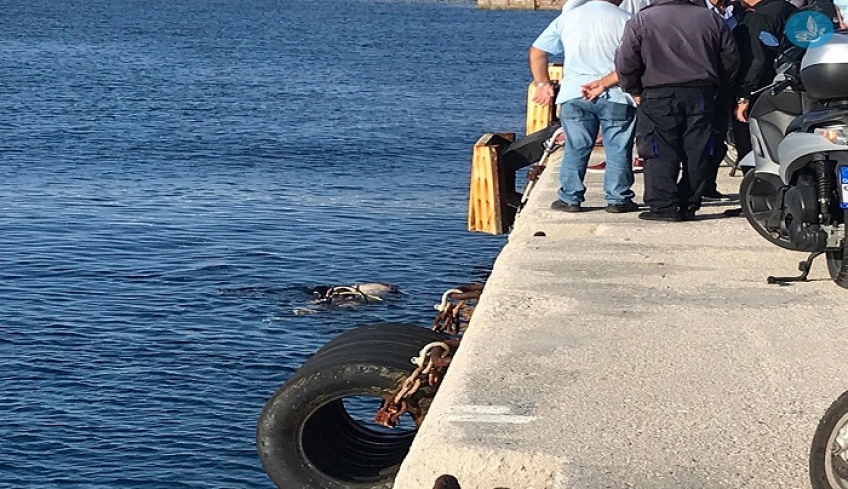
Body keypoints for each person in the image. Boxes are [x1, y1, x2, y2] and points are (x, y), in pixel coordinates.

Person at [615, 0, 740, 221]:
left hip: (657, 92)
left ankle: (663, 205)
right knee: (698, 149)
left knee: (658, 148)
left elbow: (626, 59)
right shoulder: (711, 18)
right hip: (702, 93)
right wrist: (720, 87)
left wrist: (633, 88)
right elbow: (730, 58)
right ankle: (689, 203)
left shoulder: (643, 19)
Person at [530, 0, 640, 213]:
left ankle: (570, 197)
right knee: (618, 147)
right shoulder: (628, 20)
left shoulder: (568, 18)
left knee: (576, 145)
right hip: (616, 93)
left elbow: (537, 51)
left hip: (575, 92)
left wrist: (543, 84)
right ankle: (618, 199)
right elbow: (634, 62)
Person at [701, 0, 745, 201]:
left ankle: (708, 184)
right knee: (702, 139)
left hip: (725, 86)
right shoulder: (698, 10)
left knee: (718, 140)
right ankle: (697, 186)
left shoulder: (735, 10)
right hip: (705, 84)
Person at [732, 0, 797, 127]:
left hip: (761, 91)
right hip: (789, 83)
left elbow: (756, 59)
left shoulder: (760, 17)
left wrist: (744, 96)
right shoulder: (788, 8)